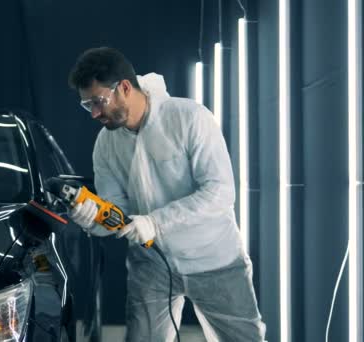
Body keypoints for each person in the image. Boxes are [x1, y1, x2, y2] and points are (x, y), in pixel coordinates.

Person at [67, 47, 266, 342]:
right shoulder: (106, 145)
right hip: (152, 266)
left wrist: (156, 222)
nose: (95, 113)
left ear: (124, 87)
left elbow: (219, 192)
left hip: (214, 259)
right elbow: (117, 211)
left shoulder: (188, 118)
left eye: (98, 101)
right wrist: (92, 219)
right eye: (87, 106)